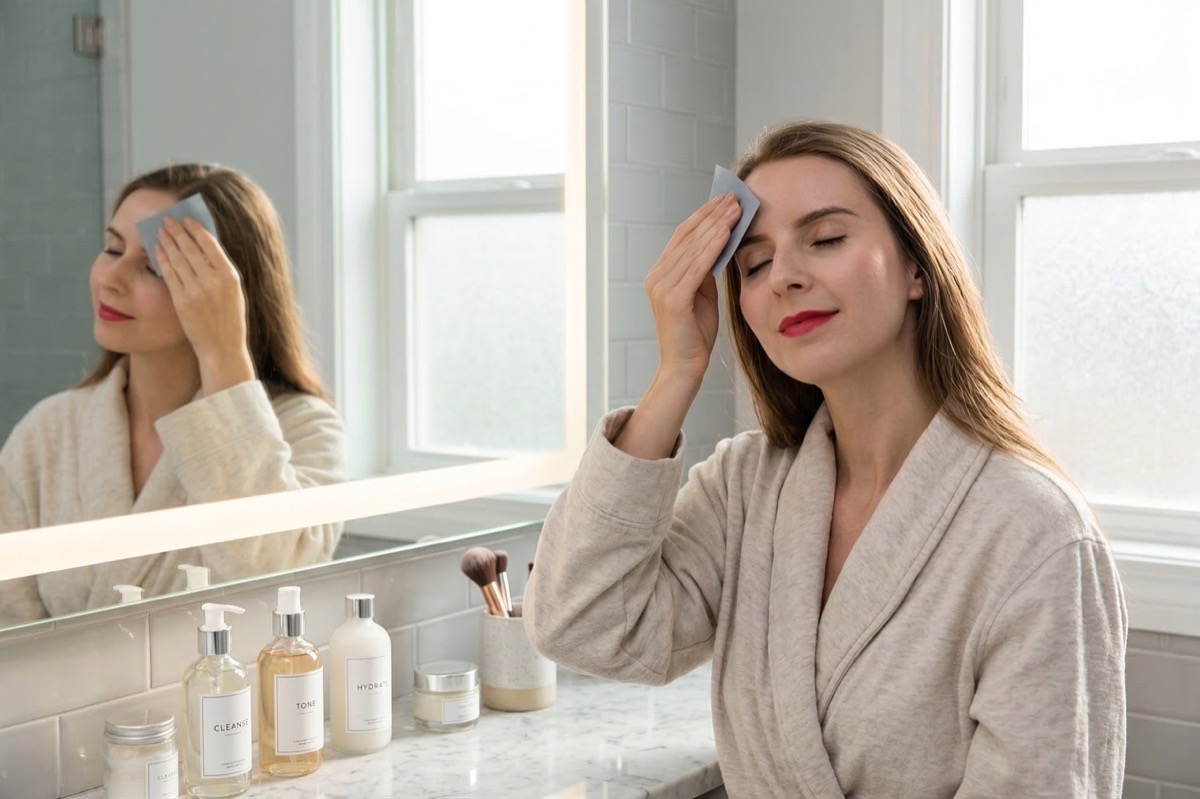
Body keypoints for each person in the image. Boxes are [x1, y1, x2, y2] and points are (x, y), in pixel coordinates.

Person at [524, 121, 1126, 797]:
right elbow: (582, 623)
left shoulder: (1034, 532)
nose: (783, 276)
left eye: (828, 238)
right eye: (752, 264)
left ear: (917, 269)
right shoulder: (746, 488)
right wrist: (677, 370)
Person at [0, 163, 347, 624]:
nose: (111, 279)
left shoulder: (306, 429)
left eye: (151, 268)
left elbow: (269, 580)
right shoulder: (49, 431)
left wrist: (224, 350)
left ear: (226, 291)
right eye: (111, 248)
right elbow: (11, 628)